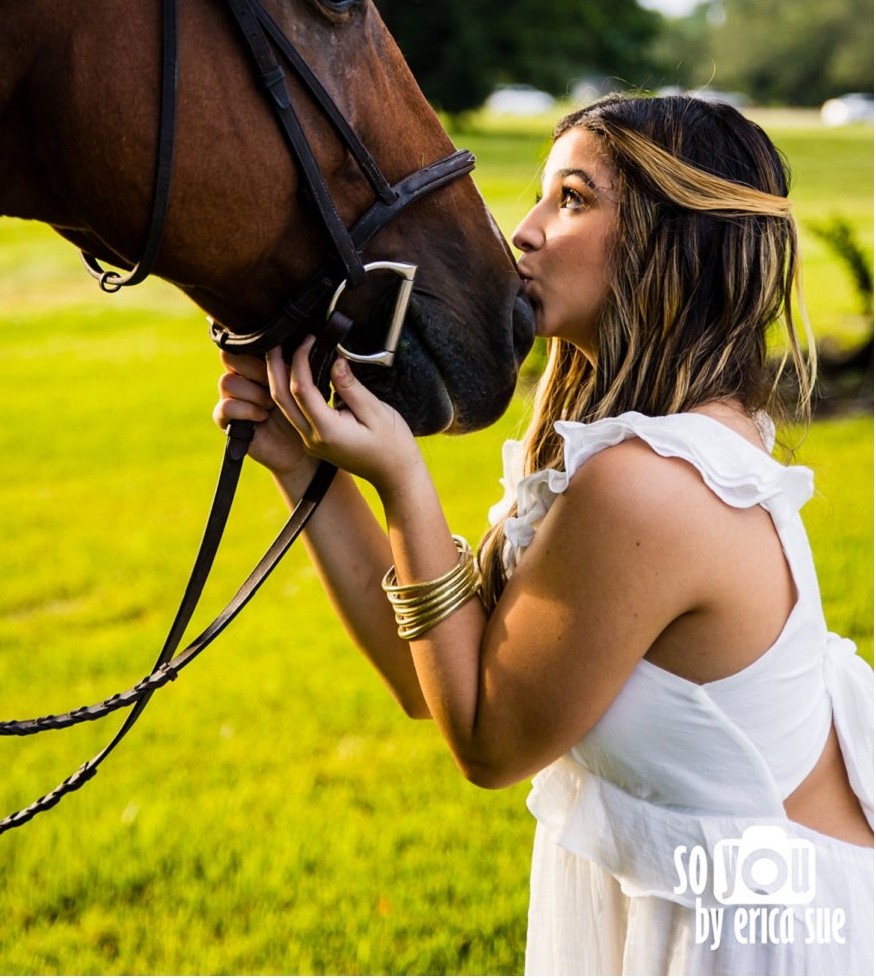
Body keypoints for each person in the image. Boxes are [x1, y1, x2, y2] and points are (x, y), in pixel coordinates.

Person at [214, 94, 872, 976]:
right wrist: (305, 469)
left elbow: (488, 741)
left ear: (669, 237)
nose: (521, 232)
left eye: (571, 198)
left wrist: (406, 480)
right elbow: (436, 680)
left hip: (760, 936)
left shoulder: (649, 484)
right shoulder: (657, 438)